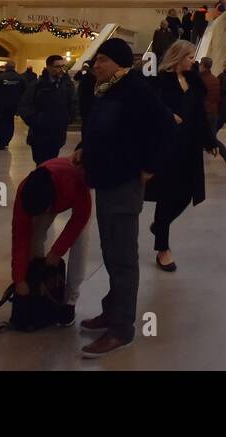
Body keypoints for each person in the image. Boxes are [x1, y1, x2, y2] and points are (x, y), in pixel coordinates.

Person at [72, 37, 172, 358]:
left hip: (123, 182)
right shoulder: (107, 90)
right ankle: (111, 309)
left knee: (122, 256)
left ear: (117, 63)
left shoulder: (135, 90)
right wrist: (83, 148)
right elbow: (100, 129)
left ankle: (122, 328)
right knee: (110, 251)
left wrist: (149, 167)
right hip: (104, 179)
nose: (95, 65)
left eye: (101, 60)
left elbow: (165, 127)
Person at [149, 42, 219, 272]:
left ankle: (160, 224)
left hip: (189, 145)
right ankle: (163, 248)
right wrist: (169, 116)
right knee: (167, 195)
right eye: (189, 57)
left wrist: (210, 141)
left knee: (187, 193)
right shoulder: (160, 82)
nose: (193, 61)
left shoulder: (193, 82)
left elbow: (199, 114)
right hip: (168, 145)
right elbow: (151, 109)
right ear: (178, 57)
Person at [12, 158, 92, 307]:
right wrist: (19, 279)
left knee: (81, 239)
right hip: (49, 193)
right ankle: (38, 284)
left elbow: (78, 220)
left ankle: (71, 298)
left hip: (74, 187)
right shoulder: (25, 191)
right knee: (34, 238)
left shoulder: (76, 182)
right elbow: (20, 237)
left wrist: (56, 252)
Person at [18, 54, 79, 164]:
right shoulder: (37, 85)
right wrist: (36, 120)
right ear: (49, 67)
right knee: (40, 162)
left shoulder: (66, 84)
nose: (61, 70)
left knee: (52, 161)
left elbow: (73, 103)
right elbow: (25, 105)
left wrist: (67, 119)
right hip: (39, 132)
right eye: (57, 67)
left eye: (62, 66)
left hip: (57, 132)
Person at [198, 58, 226, 175]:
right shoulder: (215, 79)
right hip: (214, 113)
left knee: (210, 140)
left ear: (203, 65)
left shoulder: (201, 80)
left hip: (205, 113)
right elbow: (217, 97)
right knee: (211, 139)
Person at [0, 64, 28, 150]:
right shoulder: (21, 78)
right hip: (14, 105)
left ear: (6, 67)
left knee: (1, 123)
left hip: (0, 104)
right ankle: (7, 140)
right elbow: (26, 92)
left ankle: (1, 142)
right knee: (10, 122)